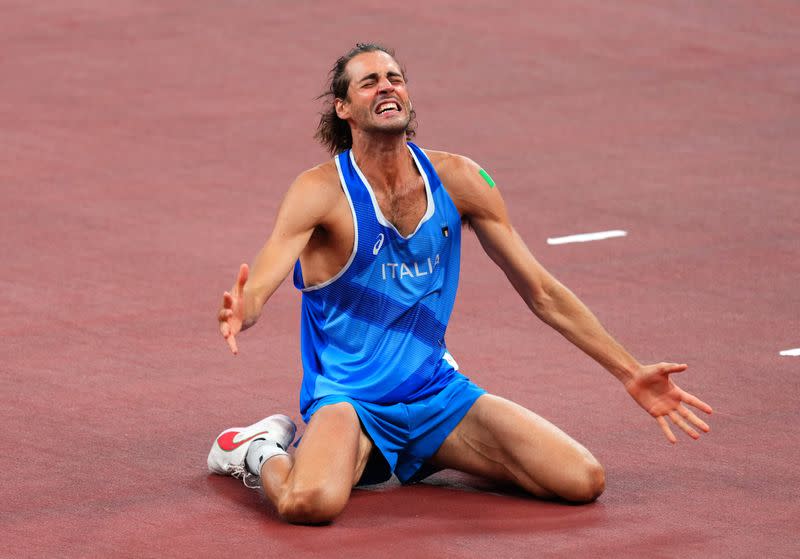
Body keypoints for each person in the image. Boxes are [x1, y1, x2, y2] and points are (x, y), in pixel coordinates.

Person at [208, 43, 712, 524]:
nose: (387, 87)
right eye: (369, 83)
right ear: (343, 108)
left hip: (436, 393)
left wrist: (628, 372)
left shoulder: (461, 179)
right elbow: (262, 282)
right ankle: (258, 449)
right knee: (308, 504)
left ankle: (415, 454)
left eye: (395, 78)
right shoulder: (318, 191)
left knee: (583, 480)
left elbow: (541, 290)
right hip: (349, 400)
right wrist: (243, 311)